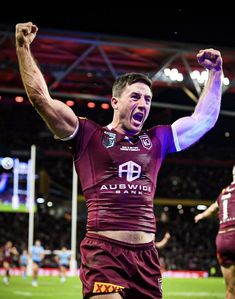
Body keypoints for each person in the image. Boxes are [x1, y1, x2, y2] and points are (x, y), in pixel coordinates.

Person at [15, 21, 223, 299]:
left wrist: (216, 72)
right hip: (104, 253)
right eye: (135, 97)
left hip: (146, 259)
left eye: (148, 99)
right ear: (114, 102)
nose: (143, 104)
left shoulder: (157, 139)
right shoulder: (89, 134)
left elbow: (204, 120)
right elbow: (42, 99)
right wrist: (23, 47)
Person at [195, 166, 235, 299]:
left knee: (230, 290)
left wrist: (201, 215)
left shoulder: (224, 192)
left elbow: (213, 207)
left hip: (223, 238)